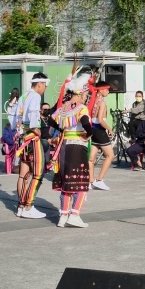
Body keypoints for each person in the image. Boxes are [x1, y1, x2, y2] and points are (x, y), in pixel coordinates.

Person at [50, 77, 94, 227]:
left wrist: (62, 130)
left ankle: (63, 216)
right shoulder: (81, 108)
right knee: (81, 181)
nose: (86, 96)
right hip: (77, 147)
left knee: (67, 181)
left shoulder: (64, 107)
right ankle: (74, 214)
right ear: (80, 93)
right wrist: (88, 133)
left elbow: (50, 120)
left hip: (64, 147)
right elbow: (86, 123)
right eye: (86, 93)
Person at [15, 73, 48, 218]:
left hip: (23, 137)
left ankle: (21, 206)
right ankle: (28, 206)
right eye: (45, 86)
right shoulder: (35, 96)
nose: (44, 89)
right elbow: (34, 113)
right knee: (38, 173)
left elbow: (15, 115)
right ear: (39, 84)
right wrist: (36, 129)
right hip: (32, 137)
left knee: (23, 175)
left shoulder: (23, 96)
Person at [88, 80, 115, 190]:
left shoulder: (93, 100)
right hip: (99, 130)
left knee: (91, 158)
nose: (108, 91)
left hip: (92, 129)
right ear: (101, 90)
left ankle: (90, 181)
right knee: (110, 155)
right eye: (107, 89)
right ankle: (99, 180)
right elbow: (100, 120)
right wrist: (109, 129)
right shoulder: (102, 102)